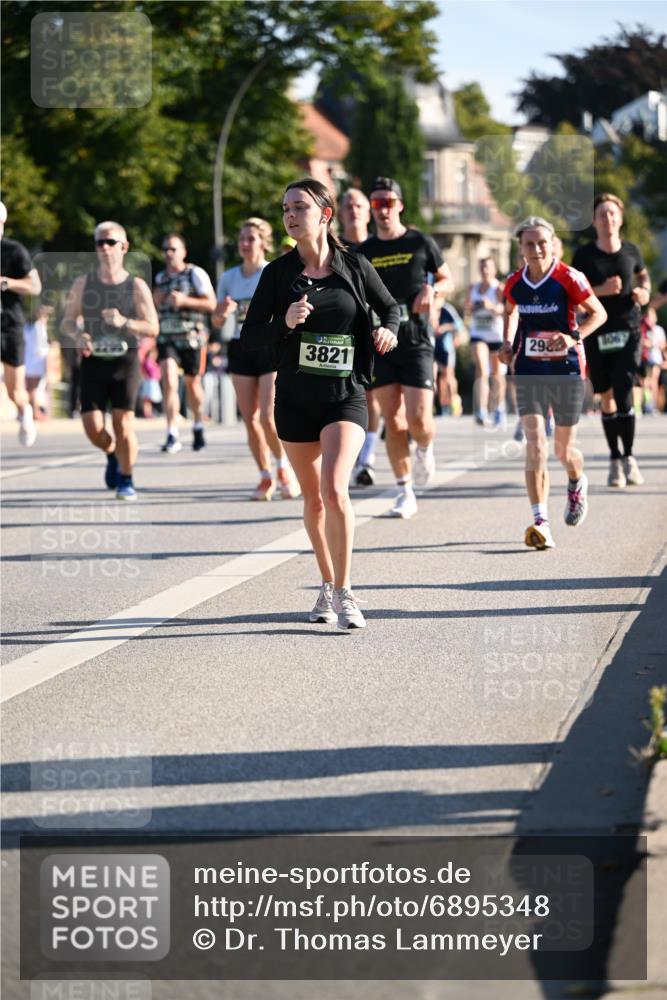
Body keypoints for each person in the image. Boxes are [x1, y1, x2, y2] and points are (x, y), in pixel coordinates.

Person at [241, 177, 399, 629]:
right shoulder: (278, 274)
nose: (290, 215)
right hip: (294, 399)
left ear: (324, 215)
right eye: (285, 208)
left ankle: (347, 592)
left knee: (334, 489)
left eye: (299, 207)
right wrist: (284, 323)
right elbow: (250, 338)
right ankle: (326, 584)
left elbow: (390, 308)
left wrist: (388, 330)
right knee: (313, 502)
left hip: (344, 395)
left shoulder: (354, 264)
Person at [500, 216, 606, 550]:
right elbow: (511, 311)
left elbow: (598, 314)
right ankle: (540, 521)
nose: (536, 249)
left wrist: (572, 337)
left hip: (567, 370)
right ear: (520, 248)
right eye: (529, 244)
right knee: (536, 445)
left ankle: (576, 480)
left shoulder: (569, 278)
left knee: (563, 449)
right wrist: (507, 343)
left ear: (552, 243)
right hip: (529, 368)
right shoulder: (514, 282)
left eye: (542, 242)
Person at [358, 177, 453, 518]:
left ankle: (425, 447)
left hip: (415, 338)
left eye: (388, 202)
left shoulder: (420, 242)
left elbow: (448, 278)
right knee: (393, 421)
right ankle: (405, 491)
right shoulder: (363, 252)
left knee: (418, 418)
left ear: (400, 205)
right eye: (376, 204)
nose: (382, 210)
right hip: (381, 341)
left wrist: (434, 291)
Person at [61, 220, 159, 500]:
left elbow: (153, 327)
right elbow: (67, 321)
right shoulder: (83, 283)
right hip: (93, 363)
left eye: (111, 242)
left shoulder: (136, 286)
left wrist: (124, 322)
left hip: (125, 363)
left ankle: (127, 479)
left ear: (124, 247)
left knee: (123, 424)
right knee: (93, 429)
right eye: (100, 243)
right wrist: (78, 336)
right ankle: (112, 453)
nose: (104, 247)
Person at [213, 218, 299, 501]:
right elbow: (215, 320)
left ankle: (282, 466)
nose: (245, 244)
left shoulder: (272, 272)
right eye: (242, 239)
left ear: (263, 242)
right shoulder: (229, 278)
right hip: (240, 347)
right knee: (250, 420)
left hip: (269, 348)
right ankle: (265, 476)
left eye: (251, 238)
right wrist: (222, 313)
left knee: (267, 417)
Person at [572, 194, 651, 487]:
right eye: (602, 214)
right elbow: (575, 298)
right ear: (594, 221)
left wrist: (644, 293)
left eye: (613, 213)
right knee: (605, 396)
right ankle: (615, 459)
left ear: (621, 218)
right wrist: (601, 290)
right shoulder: (584, 257)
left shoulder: (632, 251)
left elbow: (644, 278)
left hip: (628, 328)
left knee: (624, 388)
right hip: (598, 330)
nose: (608, 218)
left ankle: (629, 458)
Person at [153, 233, 216, 453]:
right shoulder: (160, 278)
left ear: (183, 252)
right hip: (167, 337)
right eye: (166, 249)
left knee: (192, 384)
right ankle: (172, 433)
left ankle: (198, 424)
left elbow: (211, 303)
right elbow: (154, 306)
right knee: (169, 381)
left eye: (173, 249)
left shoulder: (195, 273)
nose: (169, 253)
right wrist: (156, 299)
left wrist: (184, 300)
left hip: (192, 338)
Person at [339, 188, 381, 486]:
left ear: (368, 212)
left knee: (373, 397)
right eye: (348, 205)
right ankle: (351, 457)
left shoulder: (381, 247)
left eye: (359, 205)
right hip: (343, 332)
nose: (353, 210)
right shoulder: (334, 247)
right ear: (340, 212)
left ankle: (366, 459)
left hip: (376, 329)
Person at [1, 200, 42, 445]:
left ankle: (25, 411)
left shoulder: (14, 251)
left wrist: (6, 283)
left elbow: (35, 286)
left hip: (9, 325)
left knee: (14, 391)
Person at [465, 257, 506, 427]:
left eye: (488, 267)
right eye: (482, 268)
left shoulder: (498, 288)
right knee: (482, 370)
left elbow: (506, 310)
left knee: (497, 374)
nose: (484, 271)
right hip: (478, 334)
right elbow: (467, 308)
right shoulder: (473, 288)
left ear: (494, 270)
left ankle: (498, 407)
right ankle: (481, 410)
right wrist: (473, 307)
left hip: (495, 335)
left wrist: (491, 307)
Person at [433, 299, 463, 417]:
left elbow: (458, 324)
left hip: (445, 347)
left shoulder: (447, 308)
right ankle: (442, 405)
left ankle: (455, 403)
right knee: (435, 377)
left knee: (448, 376)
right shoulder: (429, 306)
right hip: (431, 347)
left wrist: (444, 328)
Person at [24, 304, 52, 419]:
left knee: (30, 389)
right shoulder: (39, 327)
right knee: (35, 389)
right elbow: (42, 349)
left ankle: (32, 412)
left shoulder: (27, 327)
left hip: (28, 362)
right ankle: (35, 412)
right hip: (36, 363)